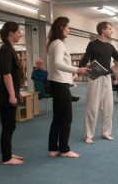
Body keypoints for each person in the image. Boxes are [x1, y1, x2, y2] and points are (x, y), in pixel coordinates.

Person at [79, 21, 118, 144]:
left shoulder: (110, 46)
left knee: (108, 106)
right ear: (103, 30)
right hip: (95, 78)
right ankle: (89, 135)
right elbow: (85, 59)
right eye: (110, 29)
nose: (112, 31)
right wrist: (77, 70)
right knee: (92, 107)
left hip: (107, 78)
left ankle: (106, 132)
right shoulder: (92, 44)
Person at [47, 17, 89, 158]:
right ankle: (64, 149)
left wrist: (71, 76)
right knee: (66, 118)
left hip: (56, 83)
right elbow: (58, 64)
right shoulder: (58, 43)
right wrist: (76, 70)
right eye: (68, 28)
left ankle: (53, 148)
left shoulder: (53, 43)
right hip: (59, 85)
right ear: (61, 28)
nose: (69, 31)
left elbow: (57, 67)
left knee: (58, 117)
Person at [0, 22, 25, 165]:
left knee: (10, 125)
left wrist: (18, 92)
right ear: (11, 33)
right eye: (18, 31)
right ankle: (6, 158)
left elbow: (12, 73)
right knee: (8, 126)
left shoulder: (9, 48)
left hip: (10, 92)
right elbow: (6, 74)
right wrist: (12, 95)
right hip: (5, 95)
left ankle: (9, 153)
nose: (20, 34)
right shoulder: (5, 49)